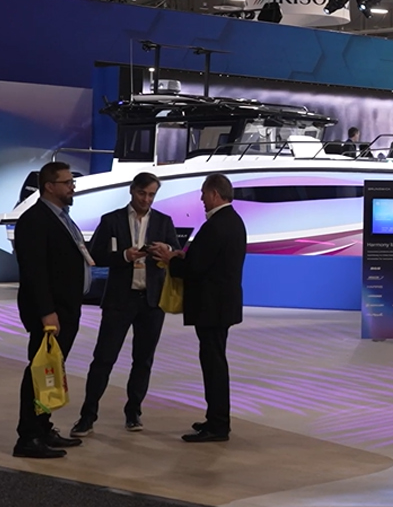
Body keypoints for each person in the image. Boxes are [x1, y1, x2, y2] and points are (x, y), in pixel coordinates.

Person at [71, 172, 179, 438]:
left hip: (151, 301)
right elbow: (95, 255)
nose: (146, 199)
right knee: (104, 358)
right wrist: (124, 255)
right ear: (132, 191)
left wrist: (166, 251)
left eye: (152, 195)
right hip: (120, 299)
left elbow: (176, 253)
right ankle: (87, 416)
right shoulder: (112, 220)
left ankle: (134, 412)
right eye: (143, 193)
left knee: (143, 360)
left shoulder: (164, 221)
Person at [161, 174, 247, 443]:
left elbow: (195, 268)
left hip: (212, 307)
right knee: (214, 361)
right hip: (221, 306)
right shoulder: (234, 221)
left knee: (213, 365)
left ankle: (218, 425)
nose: (201, 199)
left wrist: (170, 260)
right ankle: (215, 418)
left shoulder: (216, 226)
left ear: (214, 194)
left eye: (203, 193)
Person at [12, 161, 88, 459]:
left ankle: (43, 428)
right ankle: (28, 437)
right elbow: (34, 272)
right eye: (67, 182)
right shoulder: (34, 220)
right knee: (39, 370)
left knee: (51, 370)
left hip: (66, 307)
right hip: (50, 312)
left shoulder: (61, 217)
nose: (72, 187)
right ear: (49, 186)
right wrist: (46, 312)